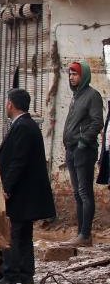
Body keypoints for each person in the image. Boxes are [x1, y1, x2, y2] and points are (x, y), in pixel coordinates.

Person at [0, 88, 56, 284]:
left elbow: (18, 161)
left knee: (12, 232)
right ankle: (26, 276)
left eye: (7, 102)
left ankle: (12, 276)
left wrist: (6, 188)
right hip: (25, 193)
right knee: (24, 234)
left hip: (20, 193)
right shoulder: (27, 125)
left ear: (10, 104)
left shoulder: (22, 127)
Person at [62, 60, 103, 247]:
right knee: (78, 194)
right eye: (70, 74)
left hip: (84, 150)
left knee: (85, 193)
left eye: (75, 74)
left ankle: (85, 235)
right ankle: (80, 234)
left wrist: (83, 142)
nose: (71, 77)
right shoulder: (76, 96)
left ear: (83, 75)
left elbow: (97, 122)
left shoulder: (92, 95)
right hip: (71, 149)